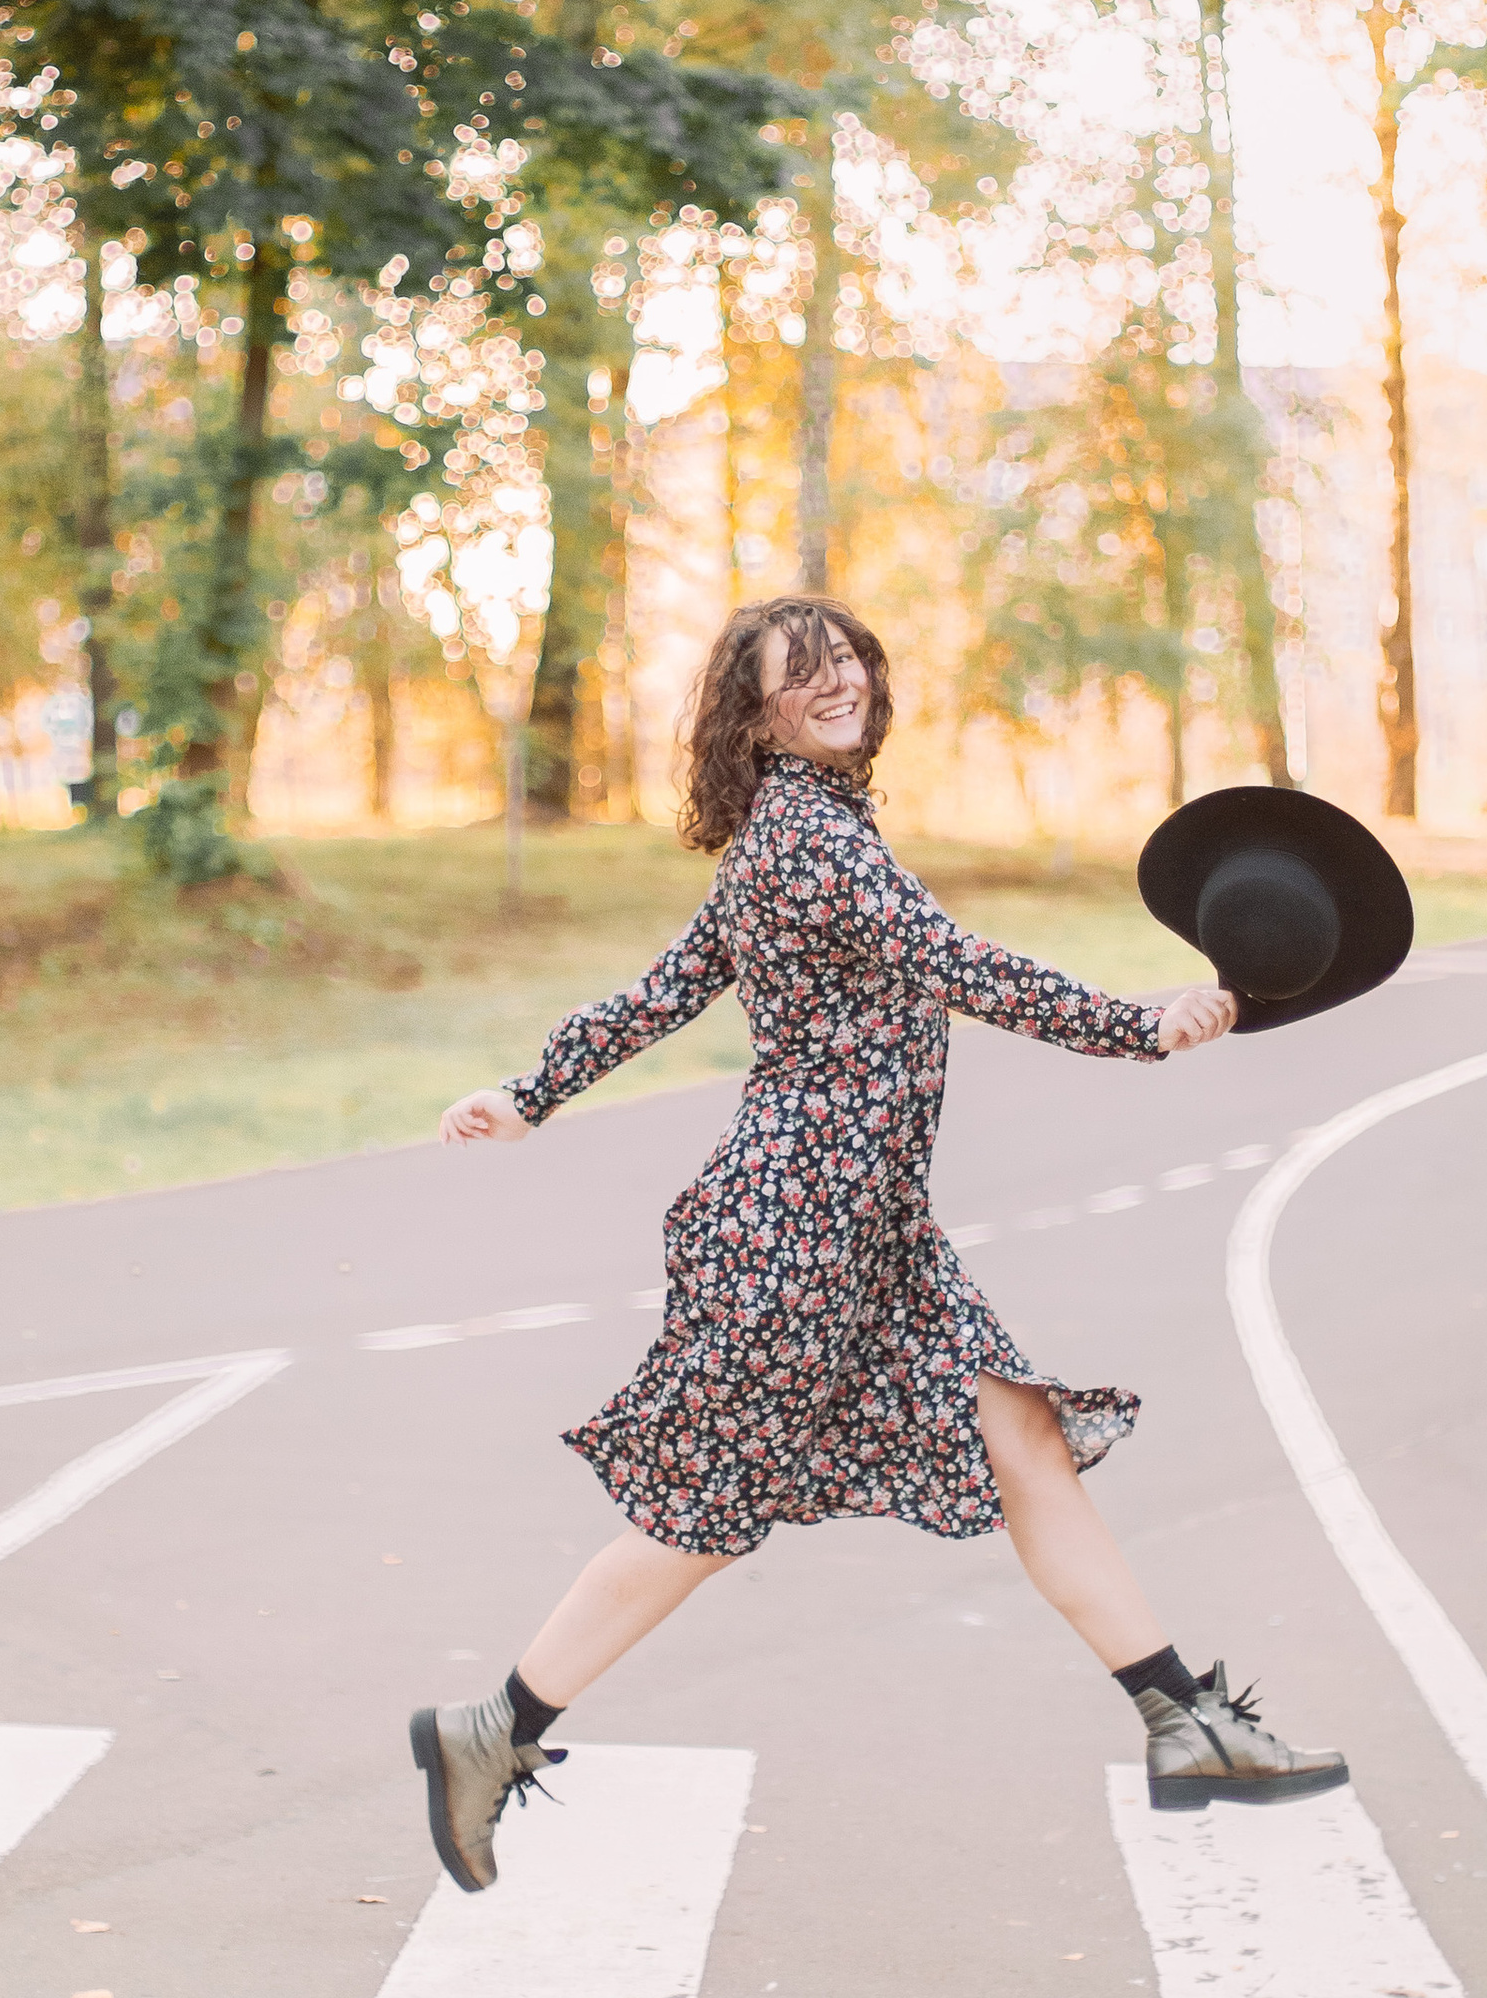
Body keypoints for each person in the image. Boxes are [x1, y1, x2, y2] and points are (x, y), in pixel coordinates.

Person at [413, 595, 1346, 1893]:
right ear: (757, 713)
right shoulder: (801, 840)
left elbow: (664, 989)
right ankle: (490, 1734)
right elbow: (949, 961)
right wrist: (1139, 1025)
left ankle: (1187, 1722)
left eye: (849, 657)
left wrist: (533, 1090)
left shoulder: (799, 833)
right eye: (804, 672)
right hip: (794, 1231)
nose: (839, 680)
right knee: (704, 1514)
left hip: (866, 1231)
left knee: (1028, 1453)